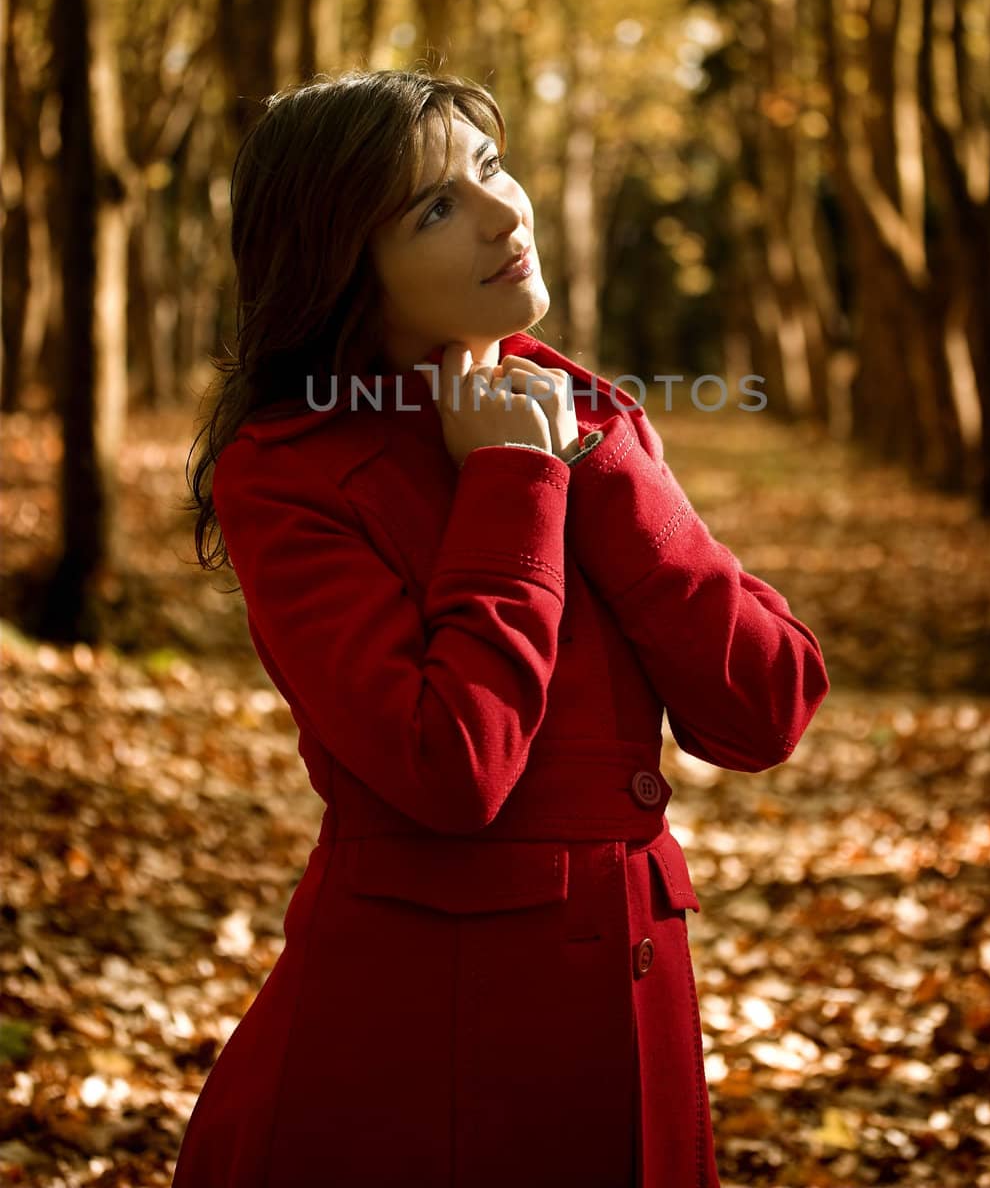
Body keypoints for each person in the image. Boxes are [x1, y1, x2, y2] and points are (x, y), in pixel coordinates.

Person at [176, 67, 829, 1188]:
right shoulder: (288, 474)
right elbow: (450, 765)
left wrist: (604, 465)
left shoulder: (575, 409)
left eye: (488, 168)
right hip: (420, 1042)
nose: (502, 210)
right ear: (343, 267)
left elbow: (763, 705)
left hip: (634, 998)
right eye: (435, 207)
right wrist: (517, 482)